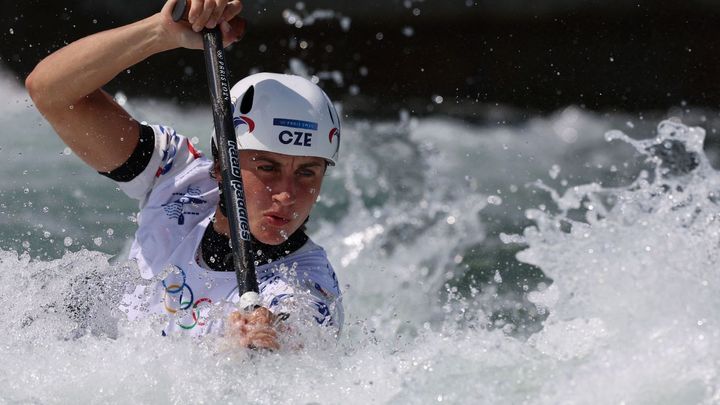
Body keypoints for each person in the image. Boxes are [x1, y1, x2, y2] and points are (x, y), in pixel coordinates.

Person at [25, 0, 343, 350]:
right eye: (267, 167)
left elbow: (295, 334)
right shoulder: (176, 177)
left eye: (307, 173)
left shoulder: (308, 285)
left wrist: (255, 346)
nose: (286, 195)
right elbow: (51, 92)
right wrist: (159, 33)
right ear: (221, 165)